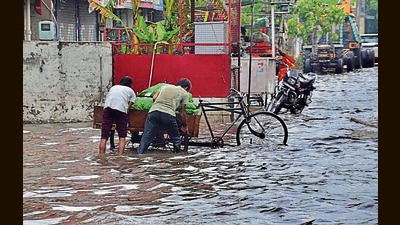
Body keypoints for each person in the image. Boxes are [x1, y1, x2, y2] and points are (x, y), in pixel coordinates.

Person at [137, 78, 192, 154]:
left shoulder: (164, 87)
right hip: (168, 114)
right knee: (175, 137)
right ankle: (178, 156)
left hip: (153, 112)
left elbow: (154, 98)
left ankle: (140, 154)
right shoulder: (185, 93)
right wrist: (185, 125)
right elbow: (183, 113)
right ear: (186, 87)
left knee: (146, 136)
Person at [99, 76, 136, 155]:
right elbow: (129, 106)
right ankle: (120, 156)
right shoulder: (131, 91)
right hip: (121, 111)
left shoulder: (114, 87)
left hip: (108, 108)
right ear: (130, 84)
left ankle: (101, 155)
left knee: (104, 135)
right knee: (122, 136)